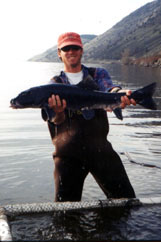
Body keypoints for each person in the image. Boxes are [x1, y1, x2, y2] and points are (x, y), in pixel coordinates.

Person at [45, 32, 136, 202]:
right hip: (67, 156)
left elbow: (109, 89)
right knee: (66, 216)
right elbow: (55, 121)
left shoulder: (97, 74)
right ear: (59, 52)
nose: (71, 51)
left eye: (75, 47)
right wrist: (58, 111)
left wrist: (119, 94)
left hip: (101, 150)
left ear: (81, 50)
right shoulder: (54, 84)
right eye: (66, 48)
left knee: (127, 203)